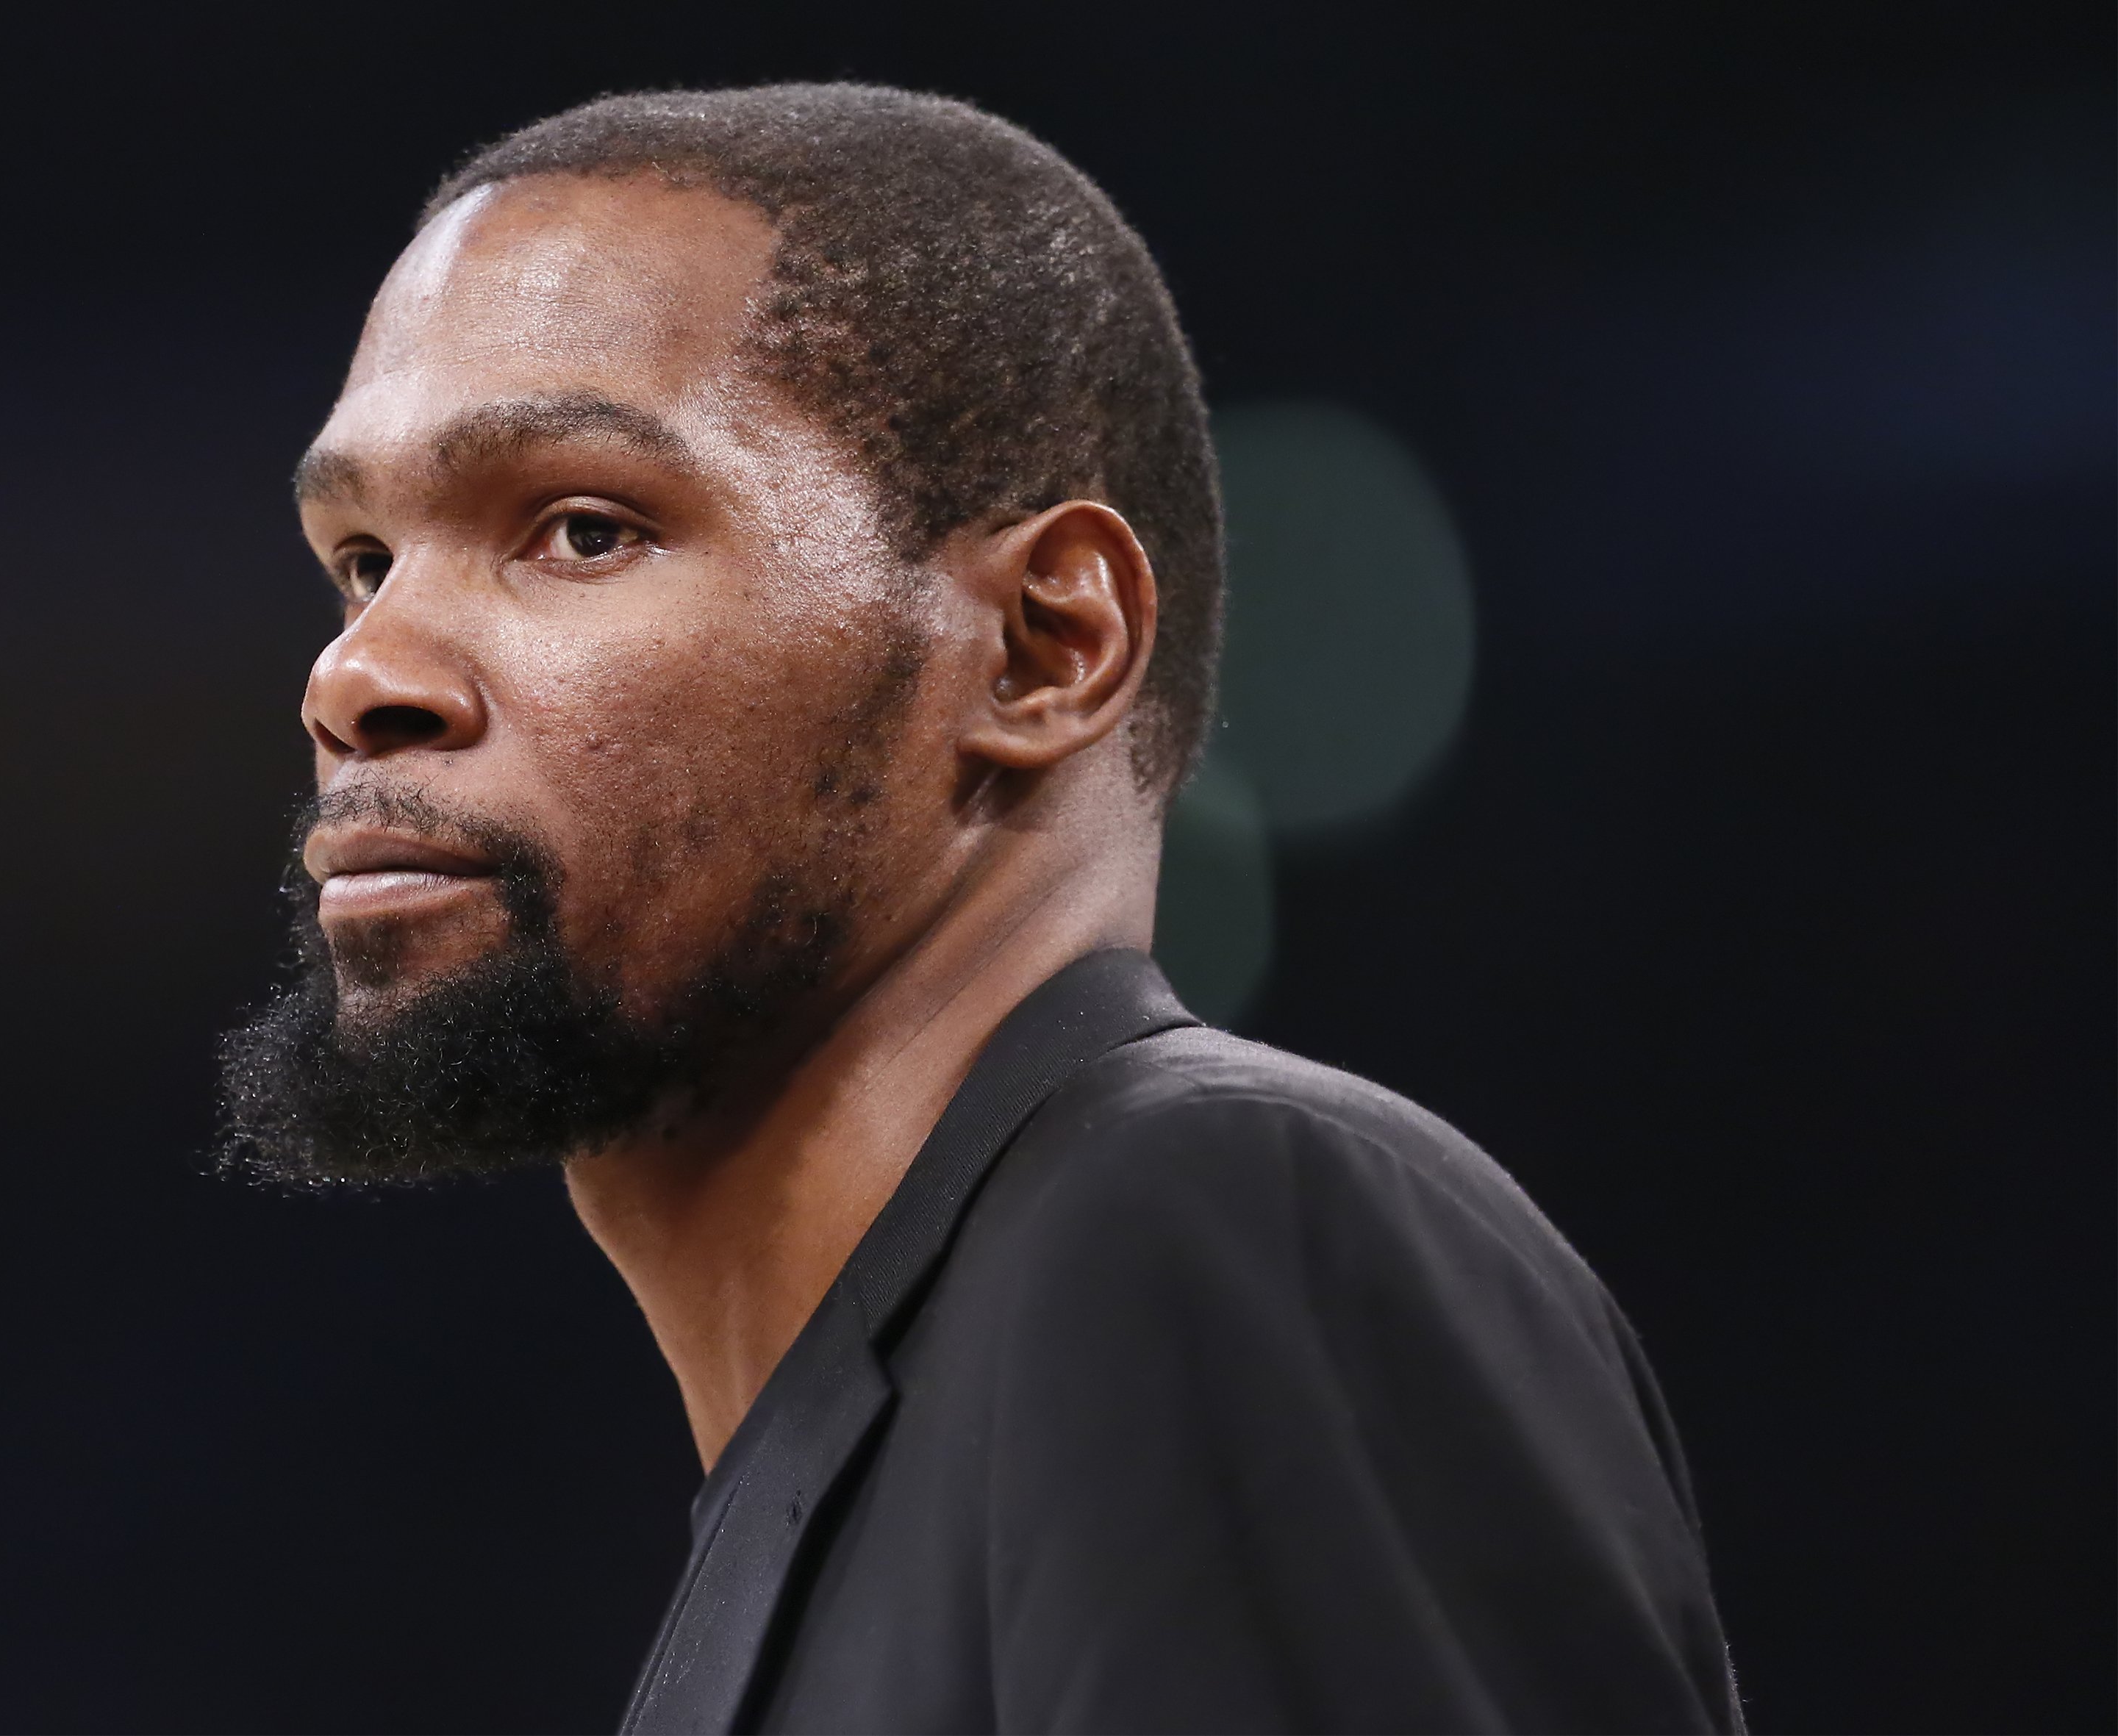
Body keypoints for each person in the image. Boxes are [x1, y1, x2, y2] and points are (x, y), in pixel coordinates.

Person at [215, 83, 1739, 1735]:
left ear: (1041, 646)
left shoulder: (1196, 1214)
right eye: (361, 558)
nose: (358, 675)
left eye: (581, 528)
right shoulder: (870, 1450)